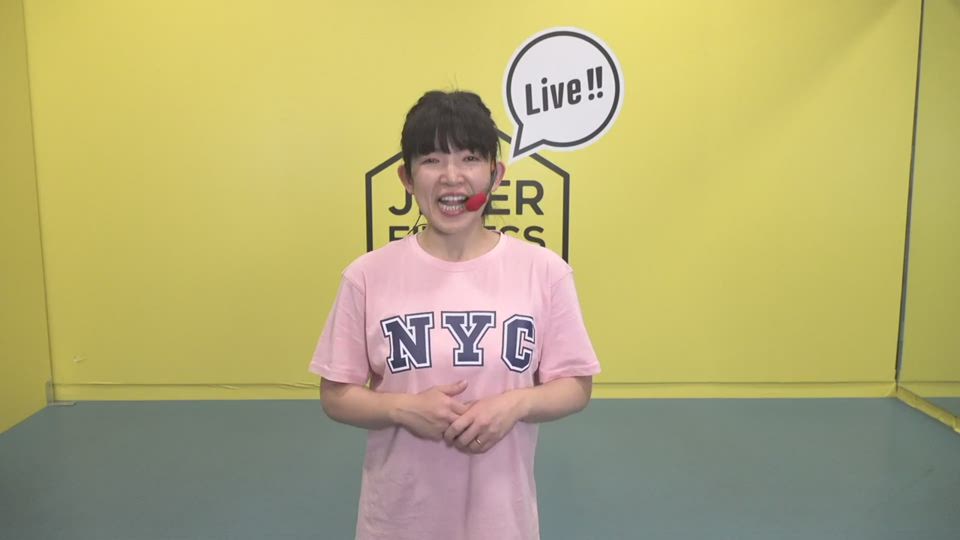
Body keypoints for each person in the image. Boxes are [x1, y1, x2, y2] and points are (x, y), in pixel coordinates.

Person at [310, 90, 600, 540]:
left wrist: (516, 404)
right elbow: (335, 395)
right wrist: (403, 408)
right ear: (407, 178)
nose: (451, 176)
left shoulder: (544, 271)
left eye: (469, 158)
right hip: (397, 524)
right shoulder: (367, 276)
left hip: (503, 524)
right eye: (431, 160)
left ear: (495, 174)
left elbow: (576, 385)